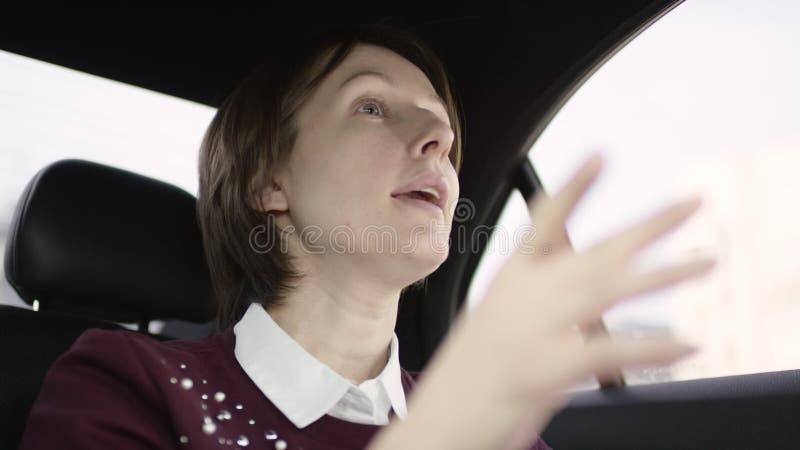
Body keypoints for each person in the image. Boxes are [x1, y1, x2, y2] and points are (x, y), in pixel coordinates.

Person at [18, 22, 712, 450]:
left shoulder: (498, 430)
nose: (439, 140)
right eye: (373, 106)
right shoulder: (128, 385)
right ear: (269, 182)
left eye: (441, 128)